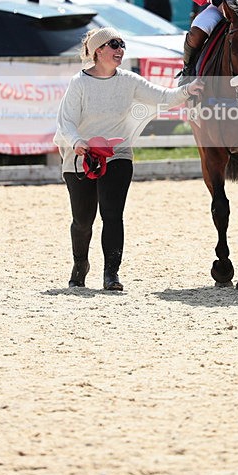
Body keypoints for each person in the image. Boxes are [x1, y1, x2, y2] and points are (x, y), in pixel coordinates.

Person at [54, 27, 202, 291]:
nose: (120, 50)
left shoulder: (129, 81)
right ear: (98, 51)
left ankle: (111, 274)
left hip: (117, 154)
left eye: (122, 45)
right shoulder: (79, 83)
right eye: (114, 45)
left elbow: (164, 98)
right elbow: (66, 121)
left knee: (112, 215)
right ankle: (80, 264)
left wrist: (189, 89)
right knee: (83, 220)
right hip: (81, 156)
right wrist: (78, 142)